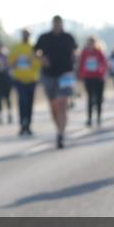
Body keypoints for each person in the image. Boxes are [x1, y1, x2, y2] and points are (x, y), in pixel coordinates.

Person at [34, 15, 78, 149]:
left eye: (59, 24)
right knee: (53, 105)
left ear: (62, 24)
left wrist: (73, 60)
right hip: (49, 75)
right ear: (52, 24)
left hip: (65, 74)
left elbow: (75, 51)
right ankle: (58, 127)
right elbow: (36, 52)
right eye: (55, 24)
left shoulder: (68, 37)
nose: (57, 26)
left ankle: (61, 133)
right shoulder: (44, 37)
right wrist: (42, 59)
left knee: (62, 103)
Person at [9, 29, 41, 136]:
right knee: (22, 102)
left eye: (27, 35)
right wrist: (17, 61)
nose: (25, 36)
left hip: (31, 80)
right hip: (19, 80)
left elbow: (38, 65)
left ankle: (28, 125)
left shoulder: (34, 48)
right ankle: (22, 124)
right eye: (24, 34)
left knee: (30, 103)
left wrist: (32, 60)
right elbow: (11, 63)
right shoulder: (16, 48)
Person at [77, 36, 107, 127]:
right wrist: (81, 75)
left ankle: (98, 117)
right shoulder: (84, 53)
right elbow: (81, 65)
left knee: (98, 98)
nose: (90, 45)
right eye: (89, 43)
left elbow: (104, 64)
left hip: (98, 78)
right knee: (90, 98)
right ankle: (89, 119)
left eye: (92, 43)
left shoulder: (99, 52)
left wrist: (101, 71)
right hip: (88, 78)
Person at [0, 45, 14, 125]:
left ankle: (9, 115)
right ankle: (0, 116)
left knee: (7, 98)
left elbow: (10, 67)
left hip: (6, 80)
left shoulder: (6, 56)